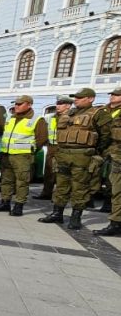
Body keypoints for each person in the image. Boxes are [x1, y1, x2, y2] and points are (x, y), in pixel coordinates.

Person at [39, 88, 111, 230]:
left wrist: (94, 152)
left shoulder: (98, 114)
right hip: (63, 155)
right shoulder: (69, 114)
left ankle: (75, 217)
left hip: (83, 156)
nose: (76, 100)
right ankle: (57, 213)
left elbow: (105, 136)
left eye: (80, 97)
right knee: (61, 186)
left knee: (80, 188)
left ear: (90, 99)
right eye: (75, 97)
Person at [0, 95, 48, 216]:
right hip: (6, 154)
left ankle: (18, 205)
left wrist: (30, 150)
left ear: (29, 105)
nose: (16, 106)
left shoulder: (37, 120)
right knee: (6, 180)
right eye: (15, 104)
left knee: (22, 181)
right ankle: (5, 202)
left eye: (19, 104)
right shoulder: (11, 118)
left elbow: (41, 138)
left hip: (22, 156)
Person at [34, 97, 71, 200]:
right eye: (57, 103)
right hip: (51, 146)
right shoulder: (49, 117)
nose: (57, 106)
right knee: (49, 171)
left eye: (61, 104)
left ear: (68, 106)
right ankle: (46, 193)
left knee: (62, 172)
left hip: (64, 147)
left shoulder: (72, 117)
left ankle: (60, 196)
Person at [96, 87, 121, 236]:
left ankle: (115, 222)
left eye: (116, 95)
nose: (112, 96)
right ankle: (115, 221)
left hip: (116, 154)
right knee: (110, 184)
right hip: (107, 151)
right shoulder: (103, 110)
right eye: (111, 94)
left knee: (116, 188)